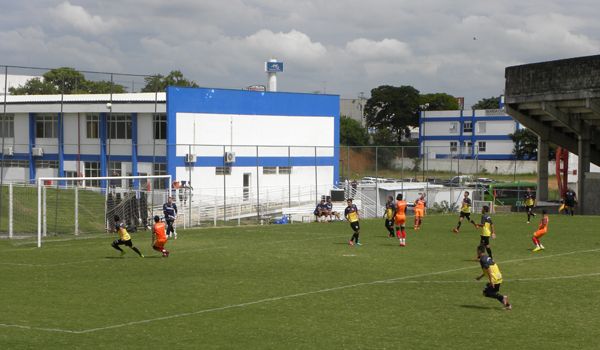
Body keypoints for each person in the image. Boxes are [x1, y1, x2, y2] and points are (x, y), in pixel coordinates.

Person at [475, 245, 512, 310]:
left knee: (486, 293)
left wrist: (491, 281)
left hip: (494, 278)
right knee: (493, 293)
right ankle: (508, 305)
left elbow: (488, 269)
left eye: (477, 251)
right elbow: (487, 269)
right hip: (498, 277)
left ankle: (503, 297)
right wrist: (480, 277)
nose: (476, 252)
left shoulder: (482, 259)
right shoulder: (486, 257)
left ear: (479, 251)